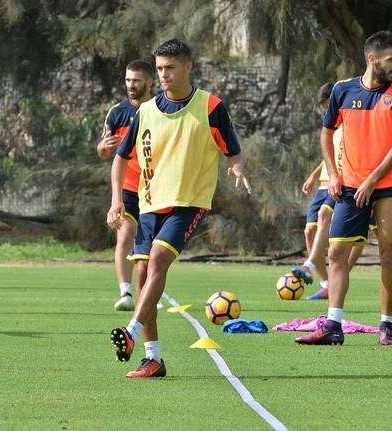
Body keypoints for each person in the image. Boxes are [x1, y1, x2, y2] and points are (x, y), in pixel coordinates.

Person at [107, 39, 251, 378]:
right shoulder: (146, 112)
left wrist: (238, 166)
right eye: (159, 69)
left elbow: (234, 150)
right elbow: (119, 159)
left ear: (188, 67)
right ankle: (152, 358)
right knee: (143, 276)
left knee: (157, 260)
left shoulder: (211, 107)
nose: (163, 75)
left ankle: (130, 331)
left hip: (188, 203)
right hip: (148, 204)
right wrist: (116, 199)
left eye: (170, 68)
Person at [295, 31, 392, 346]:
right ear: (372, 59)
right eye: (391, 59)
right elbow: (325, 133)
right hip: (348, 187)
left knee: (389, 252)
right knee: (336, 253)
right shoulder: (342, 91)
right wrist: (333, 175)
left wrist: (372, 180)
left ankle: (386, 325)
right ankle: (333, 325)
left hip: (386, 185)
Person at [293, 83, 392, 300]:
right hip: (334, 182)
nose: (326, 110)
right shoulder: (335, 125)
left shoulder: (353, 116)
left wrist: (369, 178)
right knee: (318, 228)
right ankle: (325, 279)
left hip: (358, 183)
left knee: (382, 243)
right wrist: (317, 174)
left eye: (326, 105)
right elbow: (329, 147)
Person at [97, 60, 154, 311]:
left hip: (156, 189)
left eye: (136, 80)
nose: (131, 85)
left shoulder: (161, 109)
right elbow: (105, 153)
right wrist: (102, 148)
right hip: (129, 189)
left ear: (149, 82)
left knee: (152, 245)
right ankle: (126, 293)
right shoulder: (117, 113)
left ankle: (149, 291)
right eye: (128, 80)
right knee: (125, 235)